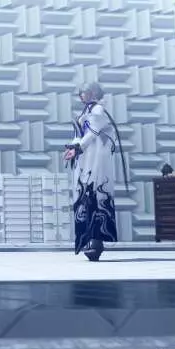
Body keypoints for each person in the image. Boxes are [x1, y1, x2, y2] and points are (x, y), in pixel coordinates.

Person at [62, 82, 126, 261]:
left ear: (92, 93)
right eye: (80, 93)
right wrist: (73, 147)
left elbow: (92, 133)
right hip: (87, 160)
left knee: (96, 197)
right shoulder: (87, 111)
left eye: (83, 92)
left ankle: (96, 241)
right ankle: (88, 239)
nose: (81, 95)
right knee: (86, 197)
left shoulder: (98, 110)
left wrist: (78, 147)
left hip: (96, 160)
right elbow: (81, 134)